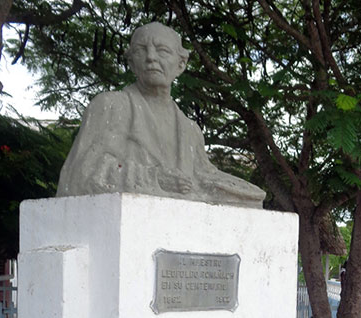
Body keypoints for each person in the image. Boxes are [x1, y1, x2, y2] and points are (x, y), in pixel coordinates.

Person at [57, 22, 265, 208]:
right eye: (141, 50)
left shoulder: (190, 129)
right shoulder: (111, 106)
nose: (151, 57)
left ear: (181, 64)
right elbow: (81, 174)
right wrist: (154, 178)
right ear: (131, 62)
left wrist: (243, 192)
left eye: (162, 50)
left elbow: (204, 179)